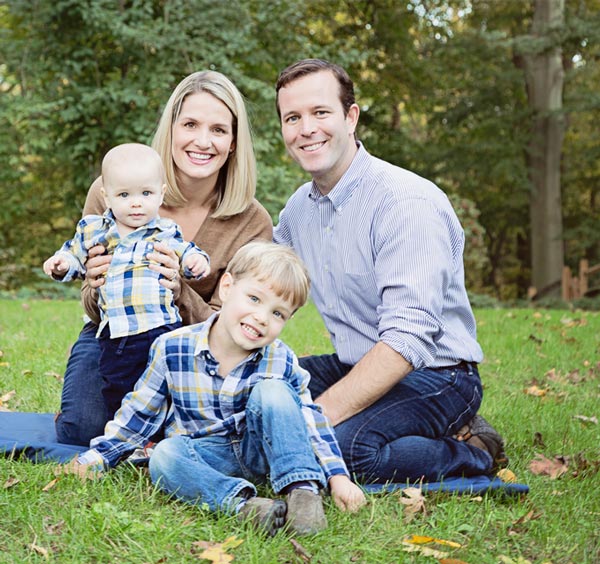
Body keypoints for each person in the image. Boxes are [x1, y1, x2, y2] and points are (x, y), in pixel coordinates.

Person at [273, 58, 508, 484]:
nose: (306, 128)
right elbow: (265, 281)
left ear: (351, 117)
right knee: (264, 392)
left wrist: (320, 416)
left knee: (341, 448)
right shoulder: (297, 211)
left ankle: (472, 450)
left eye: (320, 112)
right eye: (293, 117)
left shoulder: (404, 202)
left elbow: (407, 339)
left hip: (439, 375)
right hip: (355, 362)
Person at [65, 242, 367, 536]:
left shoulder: (279, 357)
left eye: (278, 314)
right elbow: (139, 414)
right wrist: (97, 458)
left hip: (262, 449)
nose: (262, 317)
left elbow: (309, 418)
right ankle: (245, 506)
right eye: (254, 299)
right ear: (226, 288)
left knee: (273, 392)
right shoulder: (172, 348)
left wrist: (338, 476)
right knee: (165, 456)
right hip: (208, 454)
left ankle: (302, 494)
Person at [55, 71, 273, 445]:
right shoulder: (118, 189)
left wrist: (179, 291)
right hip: (115, 335)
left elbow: (234, 329)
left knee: (189, 432)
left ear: (234, 142)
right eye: (190, 124)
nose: (203, 141)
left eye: (219, 130)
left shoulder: (251, 221)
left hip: (196, 348)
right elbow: (92, 305)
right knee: (81, 429)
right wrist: (94, 284)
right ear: (171, 129)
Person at [44, 143, 210, 420]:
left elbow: (187, 253)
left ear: (161, 195)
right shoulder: (95, 230)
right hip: (117, 332)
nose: (136, 203)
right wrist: (62, 265)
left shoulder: (165, 231)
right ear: (106, 196)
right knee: (118, 385)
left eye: (146, 193)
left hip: (162, 327)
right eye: (124, 194)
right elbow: (74, 254)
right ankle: (124, 433)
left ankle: (163, 432)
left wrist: (195, 264)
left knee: (166, 385)